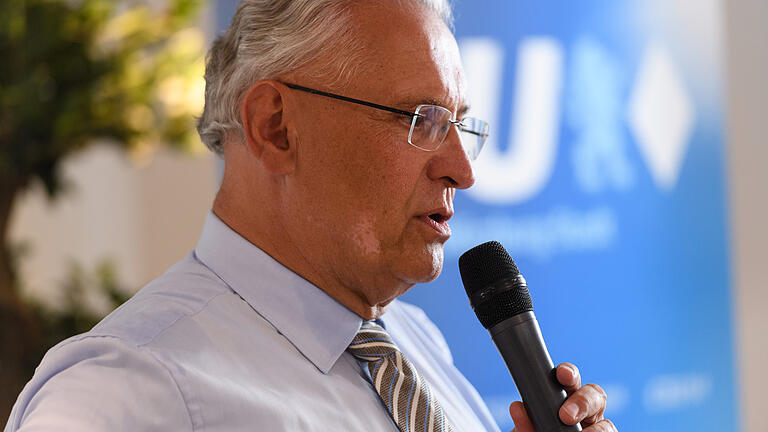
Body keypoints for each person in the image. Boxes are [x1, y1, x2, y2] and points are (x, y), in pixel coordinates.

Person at [5, 1, 616, 431]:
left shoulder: (409, 343)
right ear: (275, 128)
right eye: (422, 120)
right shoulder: (123, 397)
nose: (464, 168)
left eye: (460, 124)